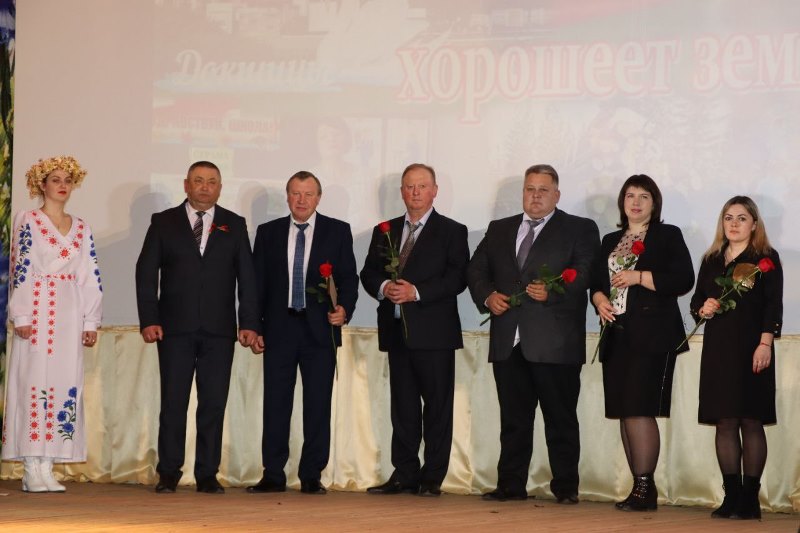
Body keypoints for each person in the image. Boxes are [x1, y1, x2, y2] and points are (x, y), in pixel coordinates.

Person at [467, 164, 599, 503]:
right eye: (530, 189)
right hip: (508, 340)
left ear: (557, 194)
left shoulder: (579, 228)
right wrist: (487, 296)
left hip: (556, 342)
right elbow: (476, 269)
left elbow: (586, 272)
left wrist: (553, 291)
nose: (535, 196)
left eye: (543, 190)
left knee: (560, 420)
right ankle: (510, 485)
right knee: (513, 420)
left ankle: (565, 487)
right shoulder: (499, 228)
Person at [135, 161, 259, 494]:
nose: (205, 187)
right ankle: (168, 472)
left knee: (213, 404)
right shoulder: (163, 222)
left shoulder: (234, 223)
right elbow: (146, 272)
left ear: (220, 188)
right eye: (198, 181)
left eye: (212, 182)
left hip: (219, 331)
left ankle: (207, 473)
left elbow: (247, 277)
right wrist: (149, 318)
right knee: (173, 403)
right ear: (186, 185)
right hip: (173, 329)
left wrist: (249, 322)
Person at [360, 163, 469, 497]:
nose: (415, 192)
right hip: (397, 332)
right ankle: (404, 473)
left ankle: (432, 477)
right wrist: (385, 288)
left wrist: (416, 292)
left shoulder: (452, 231)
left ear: (434, 191)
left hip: (435, 335)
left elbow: (457, 278)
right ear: (402, 192)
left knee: (437, 409)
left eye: (422, 186)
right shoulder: (385, 230)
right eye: (409, 186)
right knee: (403, 408)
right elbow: (369, 272)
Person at [247, 171, 358, 495]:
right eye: (296, 193)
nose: (301, 200)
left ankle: (311, 474)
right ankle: (273, 474)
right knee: (275, 404)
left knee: (318, 404)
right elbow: (256, 284)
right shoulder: (268, 233)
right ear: (287, 196)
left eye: (308, 194)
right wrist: (255, 325)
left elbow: (348, 279)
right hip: (278, 330)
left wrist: (344, 309)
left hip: (320, 332)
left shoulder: (338, 231)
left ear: (318, 198)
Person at [589, 175, 694, 511]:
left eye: (643, 196)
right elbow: (596, 281)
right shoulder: (610, 239)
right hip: (617, 334)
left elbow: (684, 279)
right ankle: (639, 487)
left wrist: (639, 277)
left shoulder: (667, 235)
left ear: (654, 203)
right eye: (630, 196)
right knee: (624, 410)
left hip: (653, 335)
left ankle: (646, 488)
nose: (635, 202)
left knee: (639, 407)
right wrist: (598, 299)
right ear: (622, 202)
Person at [1, 156, 102, 492]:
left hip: (69, 312)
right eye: (55, 180)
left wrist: (90, 319)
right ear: (41, 185)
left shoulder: (81, 227)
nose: (62, 185)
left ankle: (48, 465)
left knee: (64, 381)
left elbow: (89, 274)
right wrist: (22, 314)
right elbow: (21, 268)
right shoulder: (28, 220)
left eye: (67, 180)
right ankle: (32, 465)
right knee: (33, 380)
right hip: (39, 307)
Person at [690, 196, 782, 520]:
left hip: (754, 348)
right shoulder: (712, 259)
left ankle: (750, 499)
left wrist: (765, 343)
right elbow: (697, 301)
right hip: (719, 350)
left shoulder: (766, 258)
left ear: (754, 224)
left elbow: (773, 305)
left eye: (741, 218)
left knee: (751, 421)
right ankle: (731, 497)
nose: (734, 223)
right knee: (725, 422)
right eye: (728, 217)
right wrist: (703, 308)